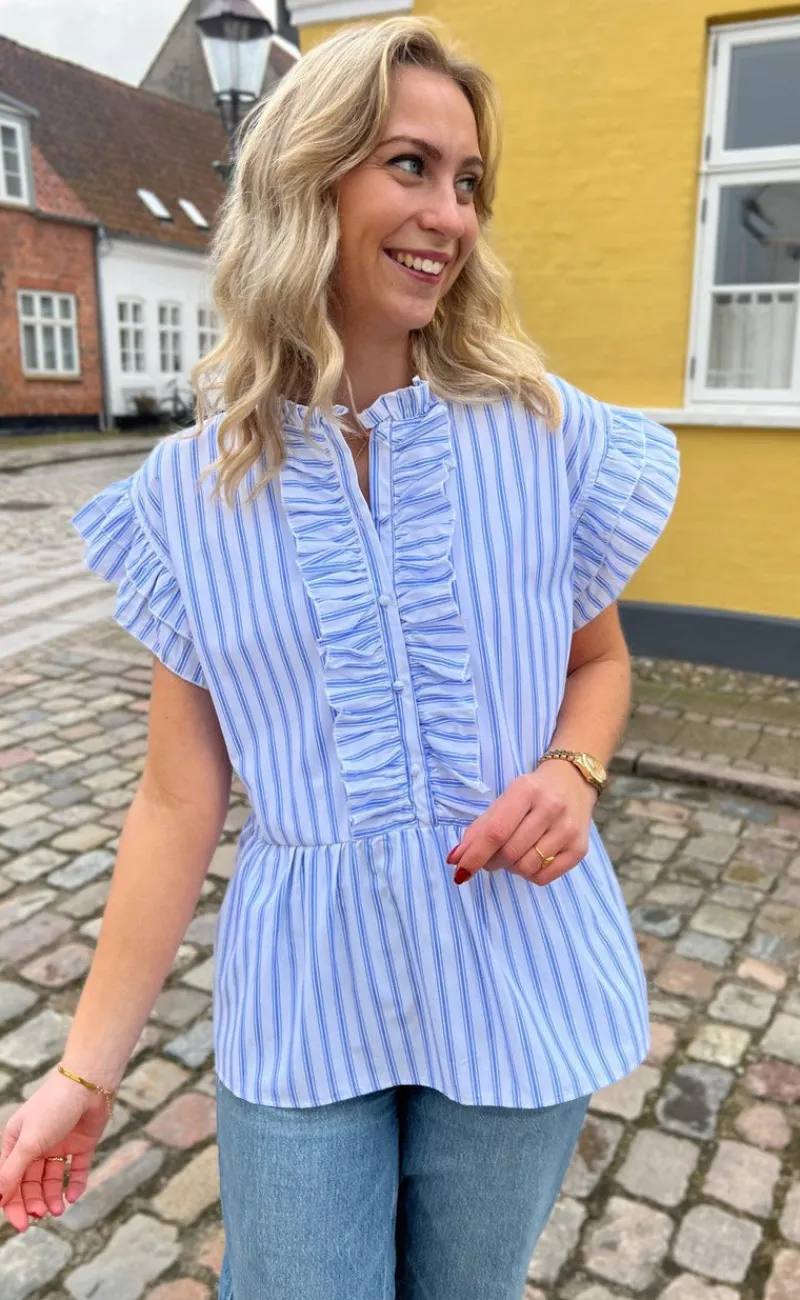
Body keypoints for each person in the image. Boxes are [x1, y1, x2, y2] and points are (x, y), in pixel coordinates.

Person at [0, 17, 679, 1300]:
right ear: (305, 178)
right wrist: (84, 1071)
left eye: (466, 180)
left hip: (516, 966)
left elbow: (595, 661)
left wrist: (571, 771)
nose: (450, 214)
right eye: (409, 166)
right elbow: (176, 798)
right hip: (304, 996)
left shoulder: (542, 435)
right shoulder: (193, 493)